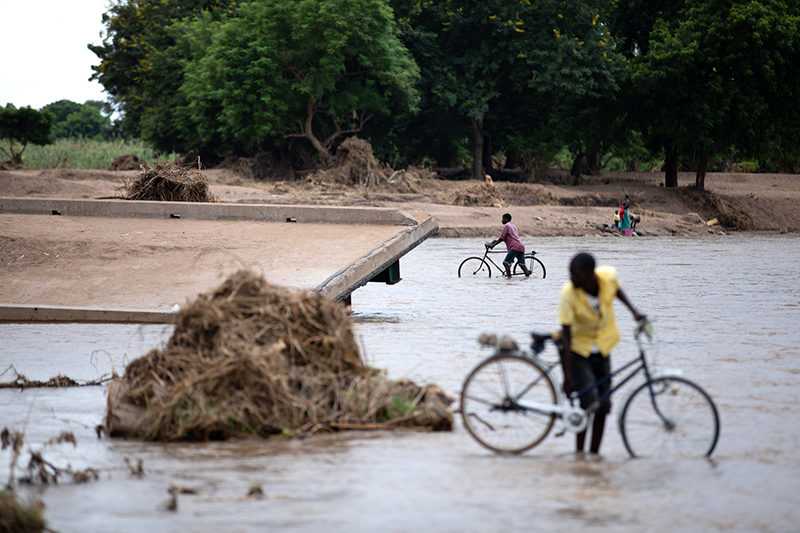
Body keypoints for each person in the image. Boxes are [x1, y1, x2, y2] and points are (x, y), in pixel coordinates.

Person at [558, 252, 646, 454]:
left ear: (590, 274)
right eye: (570, 274)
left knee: (604, 406)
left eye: (576, 274)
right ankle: (579, 453)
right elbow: (566, 337)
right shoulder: (568, 294)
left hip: (603, 347)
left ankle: (594, 456)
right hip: (579, 351)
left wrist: (634, 311)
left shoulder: (607, 277)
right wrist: (567, 377)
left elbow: (617, 290)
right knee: (588, 403)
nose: (572, 279)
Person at [486, 213, 532, 278]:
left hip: (515, 246)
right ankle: (527, 276)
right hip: (520, 245)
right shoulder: (513, 226)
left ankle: (509, 278)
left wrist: (493, 246)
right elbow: (508, 237)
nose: (502, 220)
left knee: (505, 263)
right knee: (522, 265)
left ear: (506, 219)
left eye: (503, 219)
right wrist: (495, 242)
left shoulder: (507, 226)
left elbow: (502, 238)